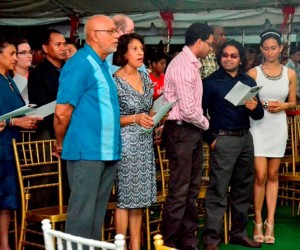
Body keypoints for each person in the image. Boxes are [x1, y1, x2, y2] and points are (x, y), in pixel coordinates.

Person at [53, 14, 121, 240]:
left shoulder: (101, 64)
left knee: (96, 216)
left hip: (106, 151)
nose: (116, 35)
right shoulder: (80, 62)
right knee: (82, 217)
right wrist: (61, 142)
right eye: (110, 31)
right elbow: (62, 112)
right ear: (93, 35)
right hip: (86, 151)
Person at [202, 40, 264, 250]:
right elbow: (199, 113)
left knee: (243, 190)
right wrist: (210, 138)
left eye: (233, 55)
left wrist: (254, 106)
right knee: (218, 191)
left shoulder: (248, 82)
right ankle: (211, 239)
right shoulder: (210, 82)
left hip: (245, 138)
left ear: (240, 59)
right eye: (225, 55)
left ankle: (238, 233)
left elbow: (259, 114)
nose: (228, 59)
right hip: (223, 139)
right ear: (220, 57)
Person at [160, 22, 213, 250]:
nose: (211, 48)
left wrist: (200, 125)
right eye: (209, 44)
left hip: (190, 130)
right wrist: (206, 125)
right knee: (179, 191)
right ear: (199, 42)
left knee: (191, 190)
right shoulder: (182, 64)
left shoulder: (194, 63)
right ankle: (169, 243)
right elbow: (190, 109)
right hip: (182, 129)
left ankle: (187, 240)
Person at [247, 29, 297, 244]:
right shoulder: (253, 73)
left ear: (281, 49)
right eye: (266, 48)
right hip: (258, 125)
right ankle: (257, 220)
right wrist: (263, 105)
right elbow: (246, 101)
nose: (269, 52)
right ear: (261, 50)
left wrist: (283, 105)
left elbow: (294, 102)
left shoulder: (290, 74)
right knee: (260, 175)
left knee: (273, 174)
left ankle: (271, 222)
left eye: (273, 48)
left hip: (278, 125)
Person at [112, 33, 156, 250]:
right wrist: (135, 118)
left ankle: (135, 246)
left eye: (141, 48)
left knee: (138, 198)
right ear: (123, 52)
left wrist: (156, 117)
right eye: (135, 48)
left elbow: (149, 108)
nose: (140, 53)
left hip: (145, 142)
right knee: (125, 198)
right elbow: (110, 118)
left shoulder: (146, 77)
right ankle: (120, 245)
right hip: (125, 142)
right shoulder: (115, 81)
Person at [0, 36, 42, 250]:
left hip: (10, 147)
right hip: (2, 146)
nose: (15, 58)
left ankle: (5, 244)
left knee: (8, 198)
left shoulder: (9, 79)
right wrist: (15, 121)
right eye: (11, 54)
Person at [28, 28, 67, 140]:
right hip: (50, 130)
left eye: (64, 44)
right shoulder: (37, 74)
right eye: (58, 44)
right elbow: (41, 108)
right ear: (45, 48)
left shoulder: (71, 69)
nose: (63, 48)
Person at [13, 37, 33, 104]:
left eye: (30, 52)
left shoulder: (38, 74)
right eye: (23, 52)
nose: (29, 56)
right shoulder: (7, 79)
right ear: (14, 55)